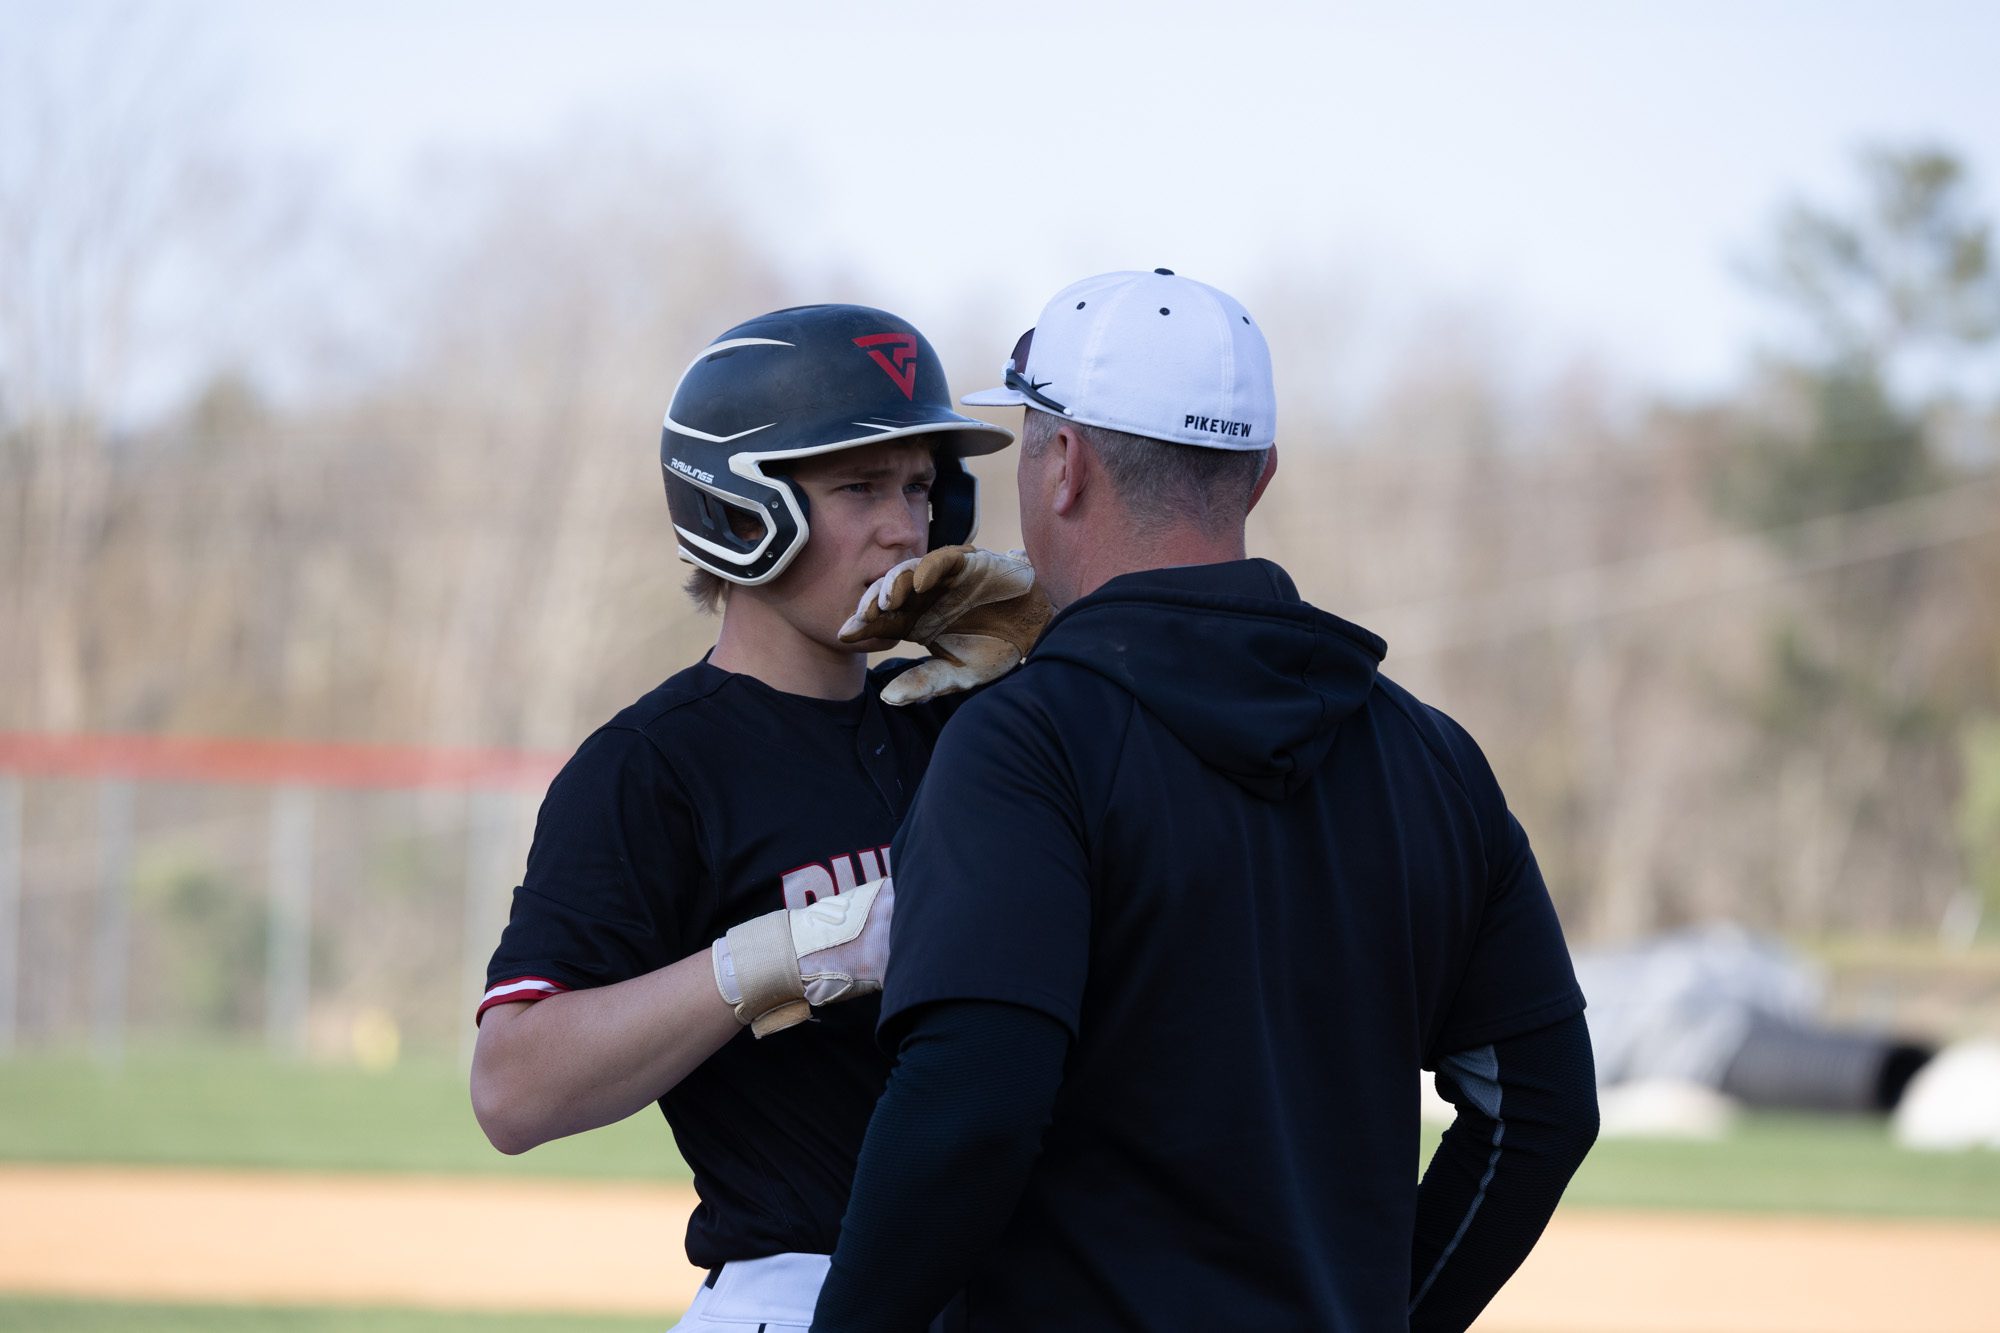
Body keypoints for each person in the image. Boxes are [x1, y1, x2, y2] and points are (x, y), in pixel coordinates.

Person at [813, 270, 1602, 1332]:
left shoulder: (1023, 741)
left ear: (1064, 464)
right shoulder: (1434, 756)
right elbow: (1540, 1108)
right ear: (1260, 475)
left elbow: (971, 1105)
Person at [469, 303, 1044, 1330]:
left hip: (1017, 1291)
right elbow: (512, 1089)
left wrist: (1060, 658)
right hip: (801, 1288)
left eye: (920, 488)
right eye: (860, 486)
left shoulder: (968, 715)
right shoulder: (655, 765)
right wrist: (785, 955)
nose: (905, 528)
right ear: (740, 511)